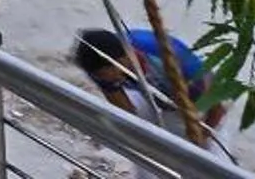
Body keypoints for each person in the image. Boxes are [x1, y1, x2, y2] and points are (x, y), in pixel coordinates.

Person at [73, 27, 230, 174]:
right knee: (146, 149)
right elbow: (127, 113)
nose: (103, 80)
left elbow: (217, 108)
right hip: (149, 94)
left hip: (199, 100)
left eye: (105, 75)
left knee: (208, 163)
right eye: (99, 77)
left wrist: (200, 142)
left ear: (121, 60)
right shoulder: (101, 69)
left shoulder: (167, 59)